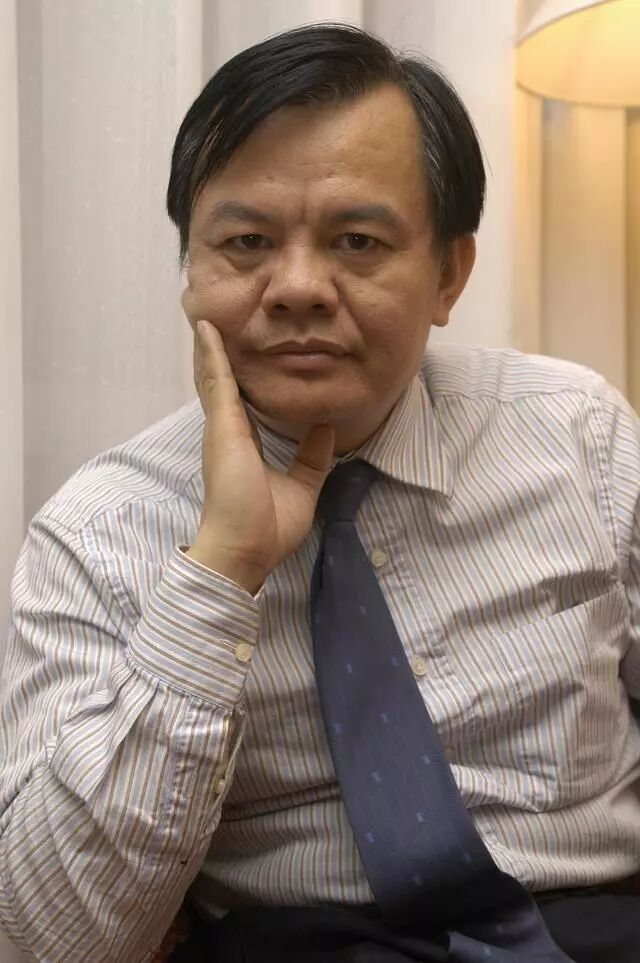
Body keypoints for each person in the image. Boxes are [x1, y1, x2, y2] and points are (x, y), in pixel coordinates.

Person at [1, 22, 639, 963]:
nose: (298, 287)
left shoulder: (578, 433)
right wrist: (220, 572)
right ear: (190, 274)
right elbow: (50, 940)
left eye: (357, 240)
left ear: (449, 274)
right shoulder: (97, 531)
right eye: (247, 241)